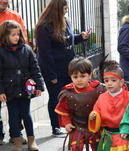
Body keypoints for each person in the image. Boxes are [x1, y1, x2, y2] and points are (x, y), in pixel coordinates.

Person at [35, 0, 90, 137]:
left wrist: (80, 37)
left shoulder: (66, 21)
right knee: (56, 98)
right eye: (64, 9)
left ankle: (69, 124)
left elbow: (67, 40)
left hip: (69, 68)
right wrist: (52, 75)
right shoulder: (44, 27)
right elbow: (44, 54)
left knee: (70, 98)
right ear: (57, 9)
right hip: (54, 69)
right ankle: (56, 126)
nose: (66, 11)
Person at [55, 57, 105, 151]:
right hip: (78, 125)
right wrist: (66, 123)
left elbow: (107, 104)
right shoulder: (68, 93)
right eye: (75, 77)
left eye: (82, 76)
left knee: (97, 147)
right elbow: (64, 111)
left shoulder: (99, 89)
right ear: (71, 77)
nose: (79, 80)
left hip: (95, 125)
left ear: (90, 75)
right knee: (76, 148)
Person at [0, 20, 44, 151]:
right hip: (10, 90)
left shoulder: (27, 49)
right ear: (5, 36)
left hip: (26, 89)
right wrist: (1, 91)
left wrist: (39, 86)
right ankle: (17, 140)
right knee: (13, 116)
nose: (16, 37)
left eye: (18, 34)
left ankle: (31, 140)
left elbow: (35, 69)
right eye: (13, 34)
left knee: (26, 114)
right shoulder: (1, 52)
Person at [89, 60, 129, 151]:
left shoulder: (128, 96)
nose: (109, 83)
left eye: (113, 80)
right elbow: (96, 110)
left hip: (122, 133)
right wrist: (93, 114)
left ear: (121, 82)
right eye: (106, 80)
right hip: (107, 134)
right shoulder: (102, 97)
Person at [0, 0, 28, 145]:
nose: (5, 1)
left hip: (11, 69)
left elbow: (24, 42)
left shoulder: (15, 16)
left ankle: (16, 133)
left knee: (16, 105)